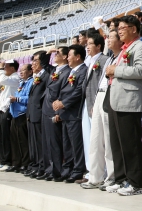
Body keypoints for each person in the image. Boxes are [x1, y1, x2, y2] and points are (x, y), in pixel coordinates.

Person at [104, 15, 142, 196]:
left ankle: (135, 184)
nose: (120, 30)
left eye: (123, 28)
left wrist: (116, 70)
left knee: (131, 144)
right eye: (119, 28)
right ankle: (121, 179)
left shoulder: (140, 46)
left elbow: (140, 70)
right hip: (117, 100)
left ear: (133, 29)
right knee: (118, 143)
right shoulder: (125, 49)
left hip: (129, 102)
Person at [82, 31, 117, 190]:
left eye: (111, 37)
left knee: (108, 140)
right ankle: (94, 176)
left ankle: (110, 176)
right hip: (98, 98)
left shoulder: (104, 59)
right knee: (95, 140)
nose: (109, 39)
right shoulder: (108, 58)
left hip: (108, 97)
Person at [54, 44, 88, 183]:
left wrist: (64, 103)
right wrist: (59, 103)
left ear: (78, 56)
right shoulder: (72, 72)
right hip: (65, 113)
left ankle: (78, 170)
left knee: (76, 143)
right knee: (67, 143)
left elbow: (79, 91)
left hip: (75, 112)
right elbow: (64, 90)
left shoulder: (83, 71)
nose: (67, 58)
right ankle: (68, 168)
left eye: (69, 55)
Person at [37, 47, 71, 182]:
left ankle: (56, 170)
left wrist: (58, 112)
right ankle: (48, 169)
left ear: (65, 57)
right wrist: (47, 53)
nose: (55, 55)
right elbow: (44, 64)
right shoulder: (55, 70)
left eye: (58, 54)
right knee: (46, 142)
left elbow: (63, 93)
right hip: (45, 110)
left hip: (54, 110)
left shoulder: (67, 72)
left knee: (55, 143)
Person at [79, 34, 108, 184]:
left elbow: (101, 84)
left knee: (98, 139)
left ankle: (101, 171)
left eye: (90, 44)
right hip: (87, 103)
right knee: (88, 139)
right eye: (87, 44)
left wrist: (95, 104)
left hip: (95, 103)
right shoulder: (89, 62)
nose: (87, 46)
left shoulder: (103, 60)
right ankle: (91, 170)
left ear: (98, 46)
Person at [25, 51, 53, 178]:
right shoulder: (36, 77)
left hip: (39, 112)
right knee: (33, 143)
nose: (33, 64)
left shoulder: (46, 75)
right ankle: (35, 165)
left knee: (40, 143)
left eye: (36, 61)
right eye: (33, 61)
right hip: (32, 113)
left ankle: (42, 167)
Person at [0, 59, 20, 172]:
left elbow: (2, 79)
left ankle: (8, 161)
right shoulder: (7, 79)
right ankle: (1, 161)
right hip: (1, 111)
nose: (4, 69)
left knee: (6, 137)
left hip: (7, 110)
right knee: (0, 138)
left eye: (6, 67)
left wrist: (0, 69)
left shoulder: (14, 78)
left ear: (12, 68)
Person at [8, 64, 33, 173]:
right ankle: (16, 163)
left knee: (23, 141)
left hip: (22, 114)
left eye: (24, 70)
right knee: (14, 141)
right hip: (14, 114)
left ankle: (25, 163)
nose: (21, 72)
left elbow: (29, 98)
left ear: (30, 71)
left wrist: (17, 98)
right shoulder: (21, 83)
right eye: (20, 71)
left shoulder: (31, 82)